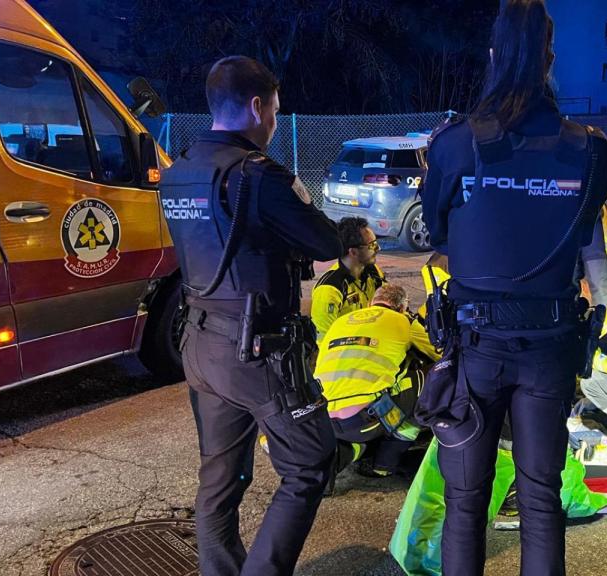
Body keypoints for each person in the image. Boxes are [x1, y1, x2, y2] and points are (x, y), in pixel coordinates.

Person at [420, 0, 607, 573]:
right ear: (549, 58)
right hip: (550, 346)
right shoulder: (588, 148)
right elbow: (587, 236)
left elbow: (438, 232)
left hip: (475, 348)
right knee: (540, 499)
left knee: (466, 502)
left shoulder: (455, 144)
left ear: (494, 55)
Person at [159, 56, 342, 576]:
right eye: (276, 112)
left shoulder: (179, 172)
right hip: (255, 350)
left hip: (199, 345)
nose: (275, 123)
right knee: (310, 462)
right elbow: (327, 243)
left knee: (220, 477)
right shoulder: (258, 176)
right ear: (257, 107)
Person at [315, 284, 439, 477]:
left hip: (323, 418)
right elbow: (438, 353)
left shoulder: (340, 321)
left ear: (371, 303)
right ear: (402, 308)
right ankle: (385, 463)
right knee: (435, 374)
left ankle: (351, 452)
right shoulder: (403, 320)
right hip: (367, 419)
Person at [310, 216, 385, 344]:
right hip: (344, 351)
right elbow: (325, 341)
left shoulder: (373, 272)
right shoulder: (330, 289)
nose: (378, 249)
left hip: (370, 341)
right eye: (372, 245)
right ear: (353, 252)